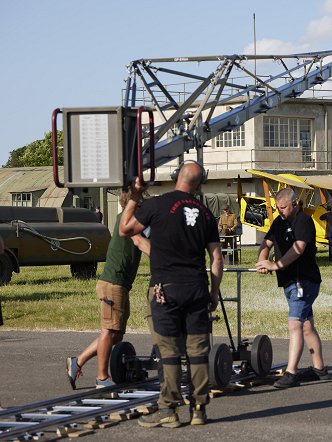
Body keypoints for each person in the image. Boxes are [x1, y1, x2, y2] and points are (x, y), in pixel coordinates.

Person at [119, 161, 223, 428]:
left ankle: (169, 412)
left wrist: (134, 197)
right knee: (198, 352)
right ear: (199, 185)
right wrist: (213, 292)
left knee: (169, 352)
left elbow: (125, 229)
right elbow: (216, 258)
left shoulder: (157, 205)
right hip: (197, 288)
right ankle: (199, 409)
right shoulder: (207, 214)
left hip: (165, 289)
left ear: (177, 177)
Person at [66, 191, 150, 389]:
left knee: (116, 335)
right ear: (133, 203)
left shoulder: (131, 219)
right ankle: (102, 378)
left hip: (120, 284)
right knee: (108, 330)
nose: (145, 203)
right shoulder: (129, 219)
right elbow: (140, 241)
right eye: (142, 200)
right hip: (113, 283)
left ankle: (77, 361)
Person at [256, 188, 328, 388]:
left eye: (284, 207)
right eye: (278, 208)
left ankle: (291, 373)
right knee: (306, 326)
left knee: (294, 324)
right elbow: (266, 243)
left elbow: (298, 248)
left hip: (303, 280)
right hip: (290, 282)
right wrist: (262, 261)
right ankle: (319, 369)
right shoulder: (279, 222)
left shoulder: (303, 221)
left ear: (294, 204)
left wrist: (276, 265)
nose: (281, 211)